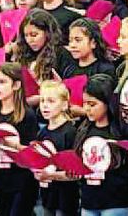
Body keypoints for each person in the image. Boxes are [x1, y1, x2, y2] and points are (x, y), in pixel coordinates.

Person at [73, 74, 128, 215]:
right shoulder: (83, 130)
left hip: (115, 202)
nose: (87, 109)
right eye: (85, 103)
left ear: (107, 103)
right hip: (89, 201)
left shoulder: (121, 131)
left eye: (92, 104)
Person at [0, 63, 39, 216]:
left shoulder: (26, 115)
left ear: (16, 85)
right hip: (1, 178)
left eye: (2, 82)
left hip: (22, 180)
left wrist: (13, 145)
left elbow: (33, 152)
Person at [36, 81, 79, 216]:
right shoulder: (42, 133)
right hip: (47, 195)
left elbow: (75, 173)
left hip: (65, 198)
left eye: (51, 101)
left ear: (64, 104)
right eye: (42, 101)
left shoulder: (70, 132)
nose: (45, 105)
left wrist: (51, 175)